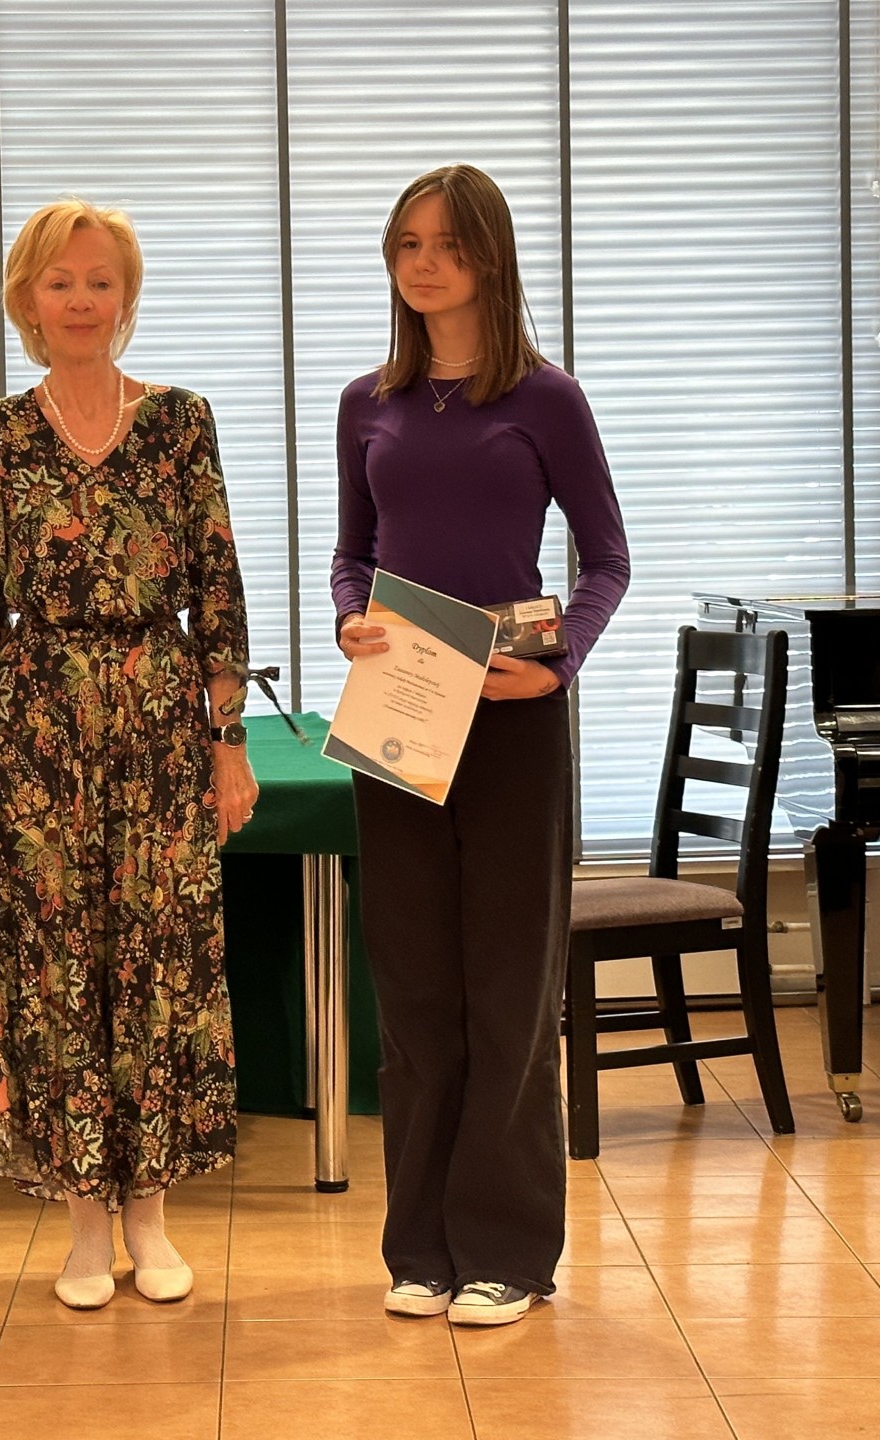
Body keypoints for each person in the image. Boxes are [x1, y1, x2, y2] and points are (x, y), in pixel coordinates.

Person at [0, 198, 257, 1310]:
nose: (80, 299)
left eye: (99, 280)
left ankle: (152, 1215)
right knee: (57, 969)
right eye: (59, 281)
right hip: (35, 733)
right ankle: (84, 1221)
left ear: (126, 296)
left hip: (159, 720)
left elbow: (219, 593)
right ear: (27, 300)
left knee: (158, 962)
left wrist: (228, 745)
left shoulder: (180, 422)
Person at [333, 165, 630, 1327]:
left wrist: (558, 666)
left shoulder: (547, 399)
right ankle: (420, 1251)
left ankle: (508, 1253)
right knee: (413, 988)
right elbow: (354, 554)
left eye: (448, 245)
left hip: (512, 718)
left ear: (490, 259)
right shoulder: (368, 401)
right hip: (398, 711)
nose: (424, 263)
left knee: (509, 987)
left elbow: (607, 560)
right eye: (407, 243)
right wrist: (350, 619)